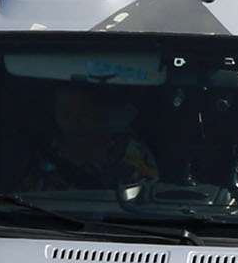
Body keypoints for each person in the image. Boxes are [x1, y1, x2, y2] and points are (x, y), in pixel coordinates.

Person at [27, 81, 158, 192]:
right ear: (55, 116)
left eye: (83, 112)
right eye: (65, 114)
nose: (75, 122)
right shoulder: (45, 156)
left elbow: (150, 199)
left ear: (98, 112)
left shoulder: (129, 151)